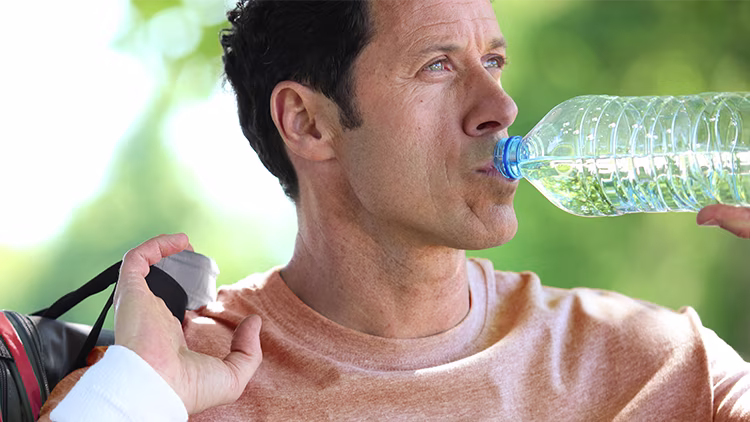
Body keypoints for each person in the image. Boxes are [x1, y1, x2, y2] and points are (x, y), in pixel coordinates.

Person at [39, 0, 750, 420]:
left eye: (493, 62)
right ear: (310, 124)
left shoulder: (657, 367)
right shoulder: (166, 384)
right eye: (439, 65)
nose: (499, 108)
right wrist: (135, 393)